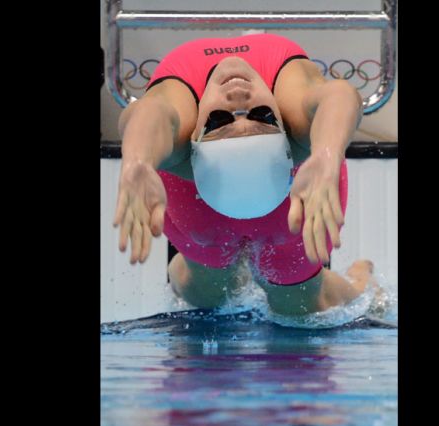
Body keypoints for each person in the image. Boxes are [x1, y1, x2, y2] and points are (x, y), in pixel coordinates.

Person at [113, 33, 378, 315]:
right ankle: (212, 268)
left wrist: (138, 159)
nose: (238, 99)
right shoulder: (299, 131)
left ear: (194, 139)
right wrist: (328, 153)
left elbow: (149, 112)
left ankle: (363, 283)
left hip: (287, 204)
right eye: (263, 115)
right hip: (201, 201)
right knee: (207, 294)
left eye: (218, 119)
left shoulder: (180, 140)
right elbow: (341, 94)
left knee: (300, 307)